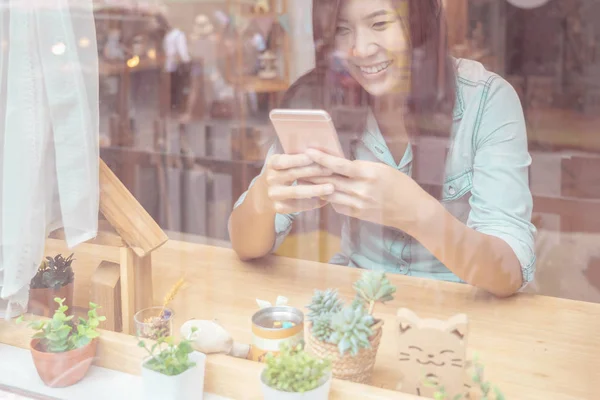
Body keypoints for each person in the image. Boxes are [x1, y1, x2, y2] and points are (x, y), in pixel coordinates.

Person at [228, 0, 536, 298]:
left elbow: (508, 273)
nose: (360, 49)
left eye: (379, 23)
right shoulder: (319, 100)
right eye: (341, 29)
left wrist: (417, 214)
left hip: (463, 313)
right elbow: (245, 245)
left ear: (420, 22)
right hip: (359, 310)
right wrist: (263, 198)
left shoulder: (486, 101)